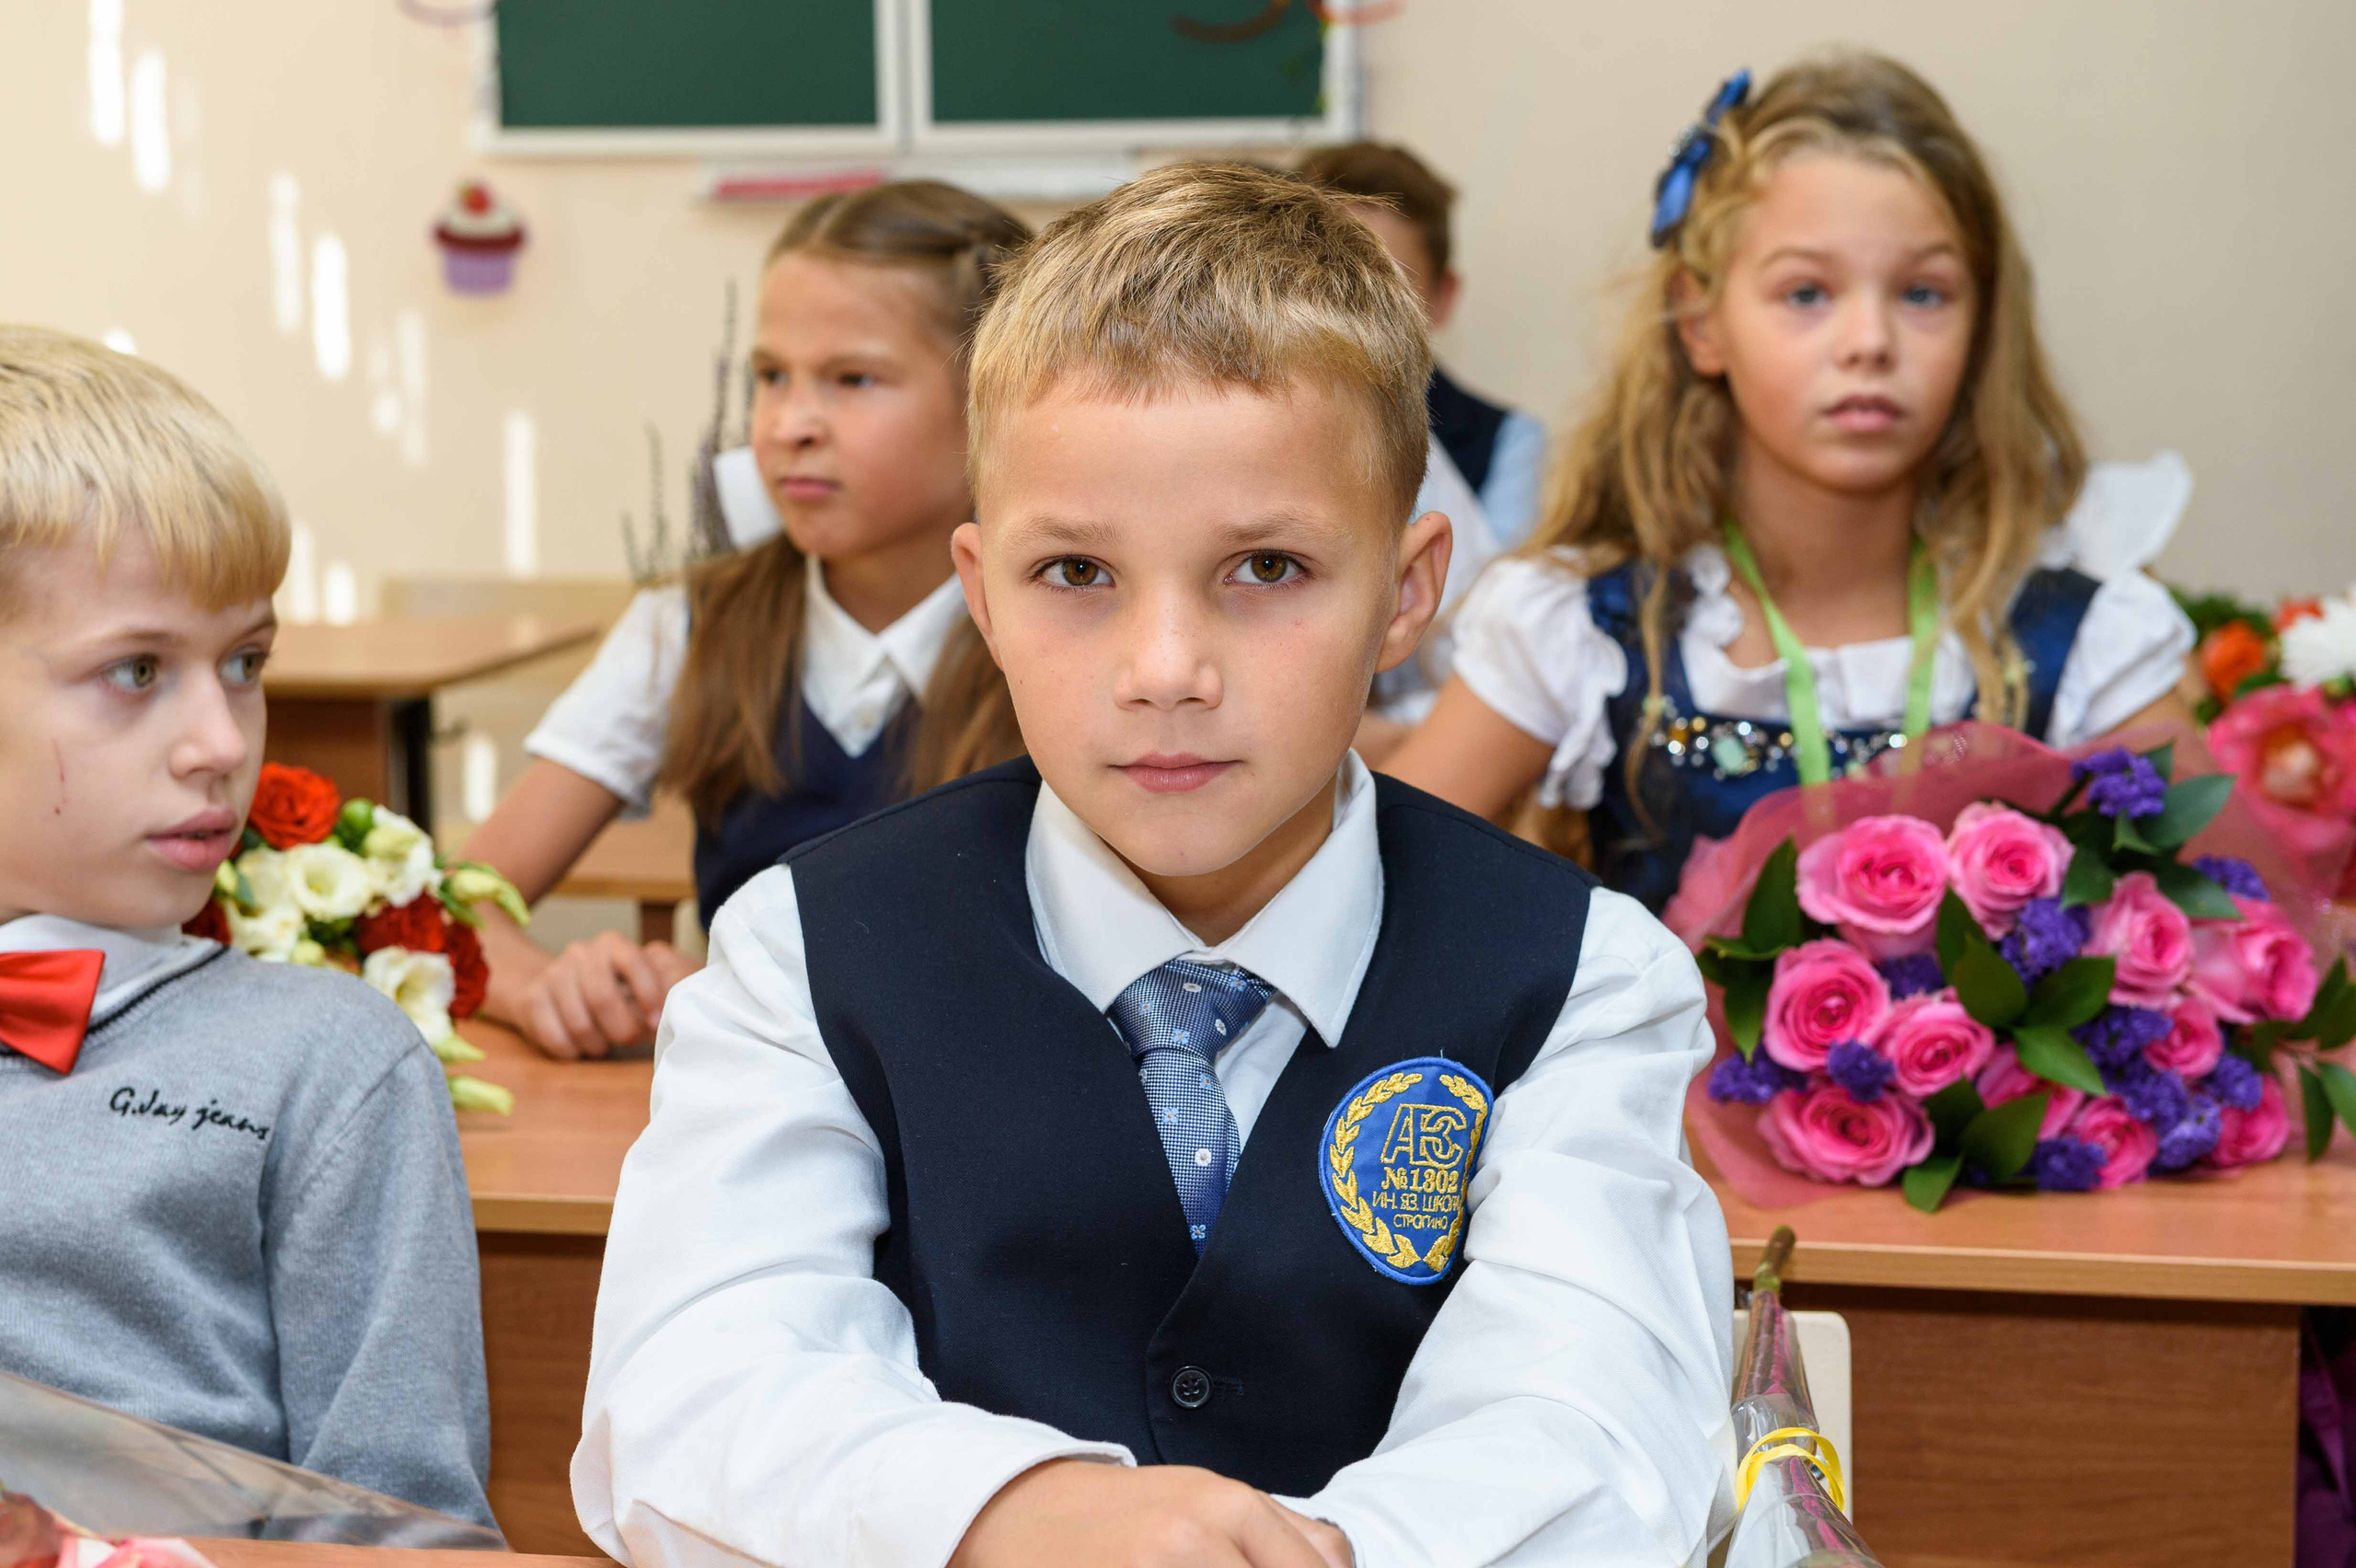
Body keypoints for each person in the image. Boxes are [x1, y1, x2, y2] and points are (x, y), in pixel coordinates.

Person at [576, 164, 1731, 1568]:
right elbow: (695, 1394)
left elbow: (1598, 1426)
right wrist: (1008, 1513)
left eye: (1265, 569)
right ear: (982, 589)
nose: (1166, 672)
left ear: (1408, 594)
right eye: (1076, 574)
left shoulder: (1583, 978)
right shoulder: (802, 954)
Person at [1382, 54, 2198, 912]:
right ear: (1702, 323)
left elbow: (2256, 964)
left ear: (1981, 322)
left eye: (1924, 292)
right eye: (1807, 292)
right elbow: (1376, 912)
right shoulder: (1586, 631)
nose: (1869, 341)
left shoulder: (2081, 645)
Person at [0, 327, 491, 1525]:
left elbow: (400, 1532)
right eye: (135, 671)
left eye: (244, 662)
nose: (222, 741)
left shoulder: (327, 1060)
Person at [465, 182, 1033, 1059]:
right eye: (771, 377)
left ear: (991, 404)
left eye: (853, 379)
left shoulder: (1065, 627)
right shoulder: (688, 625)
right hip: (747, 1122)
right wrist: (549, 987)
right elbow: (450, 910)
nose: (790, 425)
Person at [1297, 141, 1549, 548]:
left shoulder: (1510, 444)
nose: (1358, 308)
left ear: (1442, 297)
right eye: (1329, 275)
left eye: (1393, 284)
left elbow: (1491, 605)